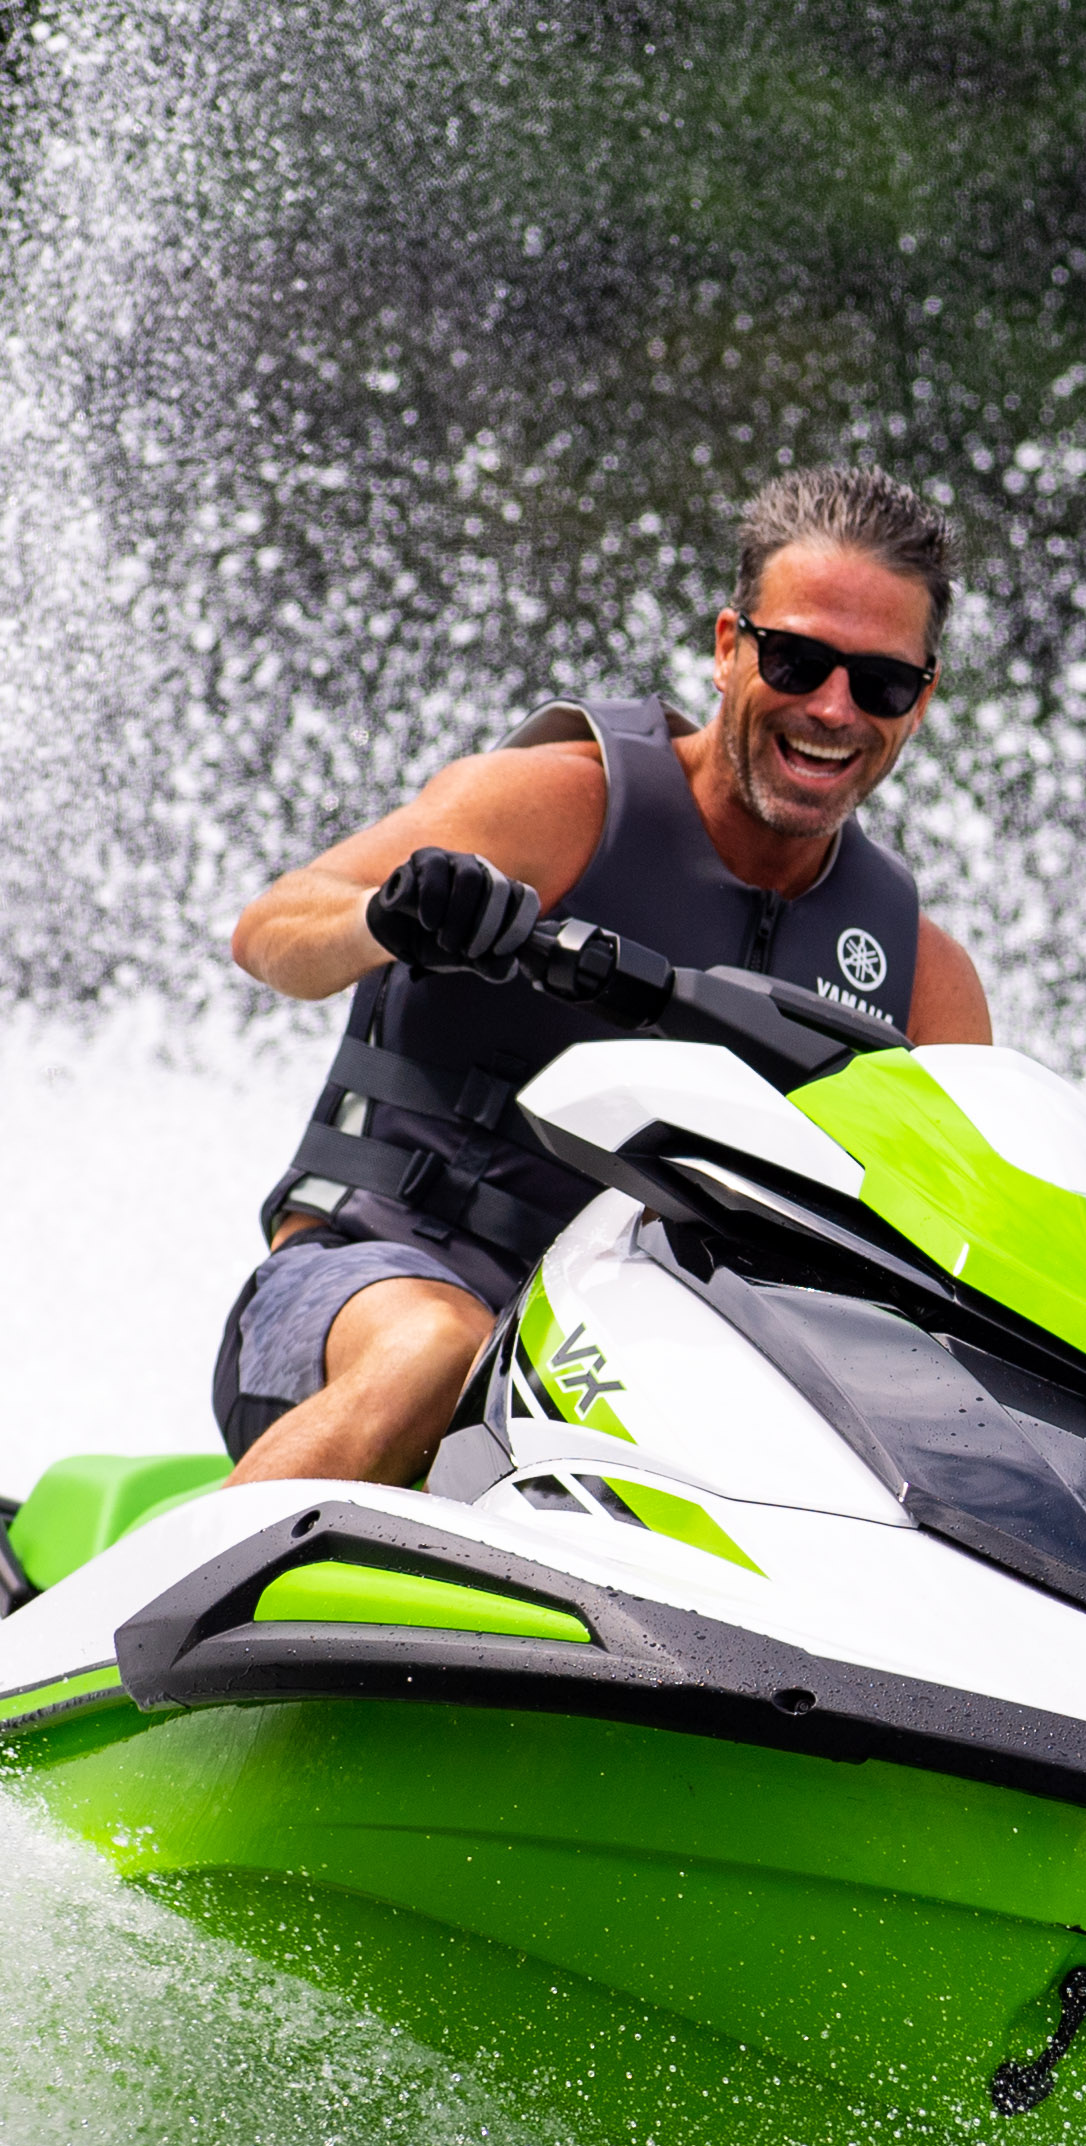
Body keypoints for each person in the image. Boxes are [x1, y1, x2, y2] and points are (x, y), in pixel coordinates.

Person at [210, 464, 994, 1487]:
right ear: (729, 648)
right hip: (373, 1292)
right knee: (441, 1353)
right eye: (798, 661)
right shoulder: (559, 808)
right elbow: (270, 930)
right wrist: (389, 916)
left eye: (880, 682)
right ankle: (183, 1589)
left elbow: (975, 1254)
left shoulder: (923, 982)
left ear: (920, 701)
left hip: (629, 1390)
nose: (834, 708)